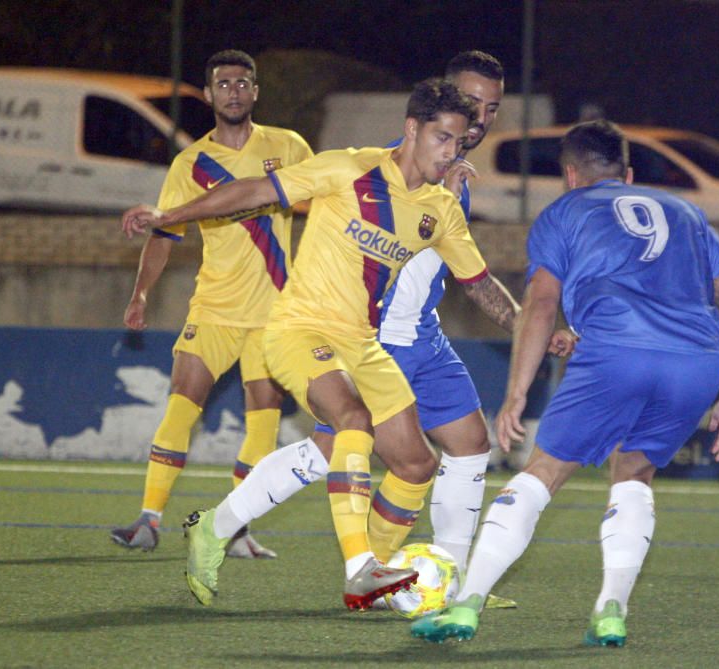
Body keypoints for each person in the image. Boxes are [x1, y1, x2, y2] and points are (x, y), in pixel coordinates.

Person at [177, 51, 560, 611]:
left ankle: (445, 582)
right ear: (440, 103)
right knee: (329, 451)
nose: (481, 116)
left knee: (465, 445)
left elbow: (468, 276)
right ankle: (229, 528)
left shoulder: (452, 178)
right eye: (471, 102)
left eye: (492, 108)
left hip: (423, 340)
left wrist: (531, 327)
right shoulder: (388, 168)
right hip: (372, 337)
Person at [411, 120, 719, 645]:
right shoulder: (688, 212)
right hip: (697, 362)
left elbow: (543, 305)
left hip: (617, 350)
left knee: (541, 473)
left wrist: (517, 393)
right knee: (634, 474)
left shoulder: (564, 211)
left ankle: (466, 604)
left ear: (570, 175)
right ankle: (611, 609)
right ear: (630, 173)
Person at [110, 49, 312, 558]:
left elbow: (327, 196)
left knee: (263, 419)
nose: (234, 92)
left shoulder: (287, 147)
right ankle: (148, 519)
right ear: (208, 94)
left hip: (274, 314)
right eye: (224, 84)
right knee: (182, 404)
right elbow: (164, 233)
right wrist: (140, 292)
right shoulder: (190, 163)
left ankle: (239, 530)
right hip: (215, 309)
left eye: (243, 84)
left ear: (256, 92)